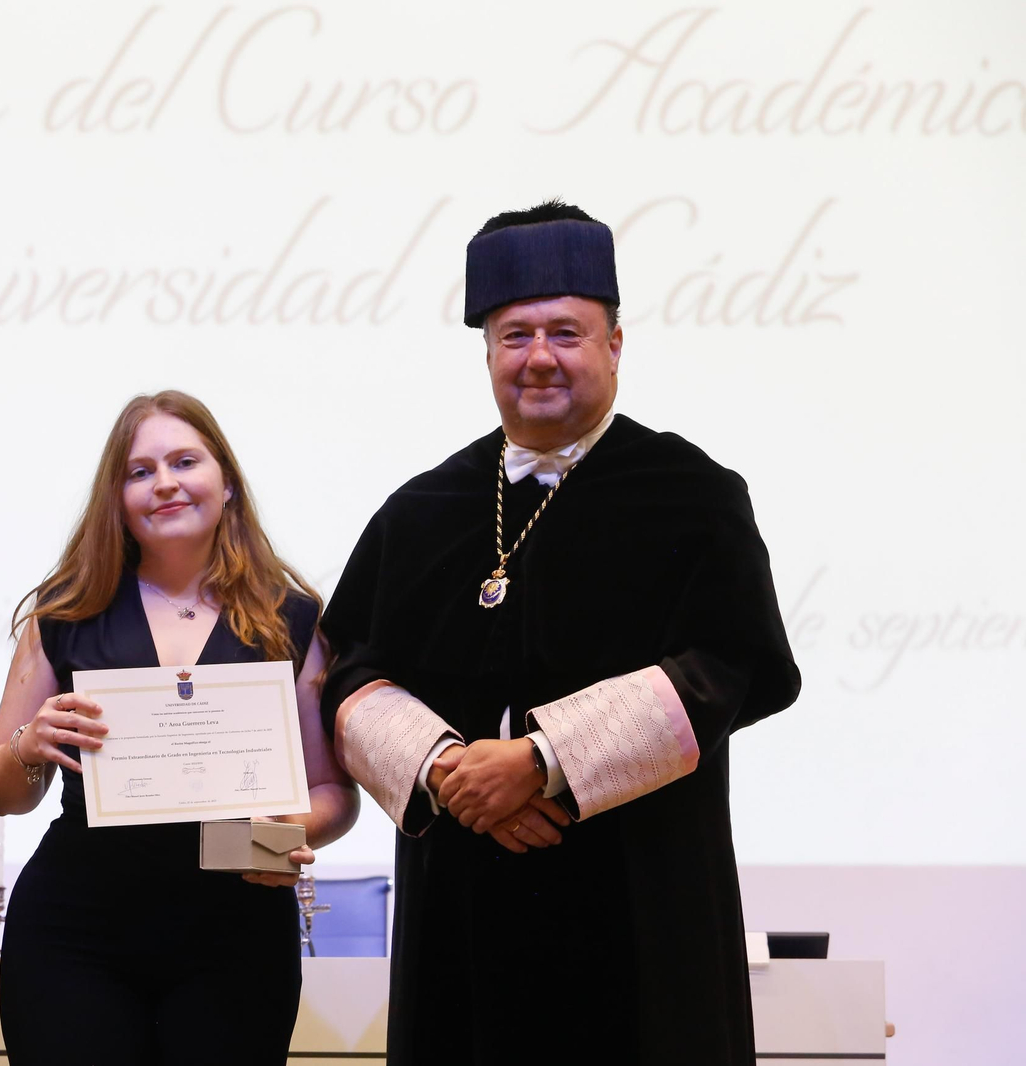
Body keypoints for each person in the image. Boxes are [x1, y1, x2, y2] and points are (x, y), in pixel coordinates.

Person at [319, 201, 801, 1065]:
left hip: (640, 908)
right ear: (488, 352)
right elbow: (351, 673)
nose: (539, 358)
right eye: (515, 335)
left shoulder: (692, 495)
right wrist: (447, 771)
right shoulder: (420, 511)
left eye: (566, 333)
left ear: (616, 344)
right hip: (465, 915)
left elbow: (734, 666)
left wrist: (541, 764)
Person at [0, 390, 358, 1065]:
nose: (166, 484)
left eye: (185, 461)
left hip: (238, 929)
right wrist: (29, 746)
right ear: (116, 497)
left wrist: (279, 841)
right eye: (140, 471)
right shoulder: (66, 613)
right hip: (76, 931)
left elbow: (332, 793)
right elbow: (0, 790)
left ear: (227, 481)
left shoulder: (290, 619)